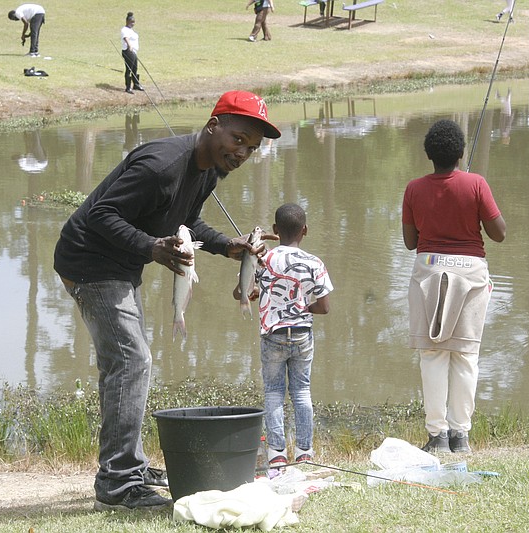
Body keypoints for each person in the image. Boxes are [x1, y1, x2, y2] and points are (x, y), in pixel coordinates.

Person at [54, 90, 281, 511]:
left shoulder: (207, 171)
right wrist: (151, 248)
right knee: (131, 361)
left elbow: (185, 218)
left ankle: (128, 466)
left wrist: (224, 245)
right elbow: (102, 214)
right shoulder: (161, 165)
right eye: (239, 138)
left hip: (120, 266)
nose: (244, 151)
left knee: (124, 364)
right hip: (89, 261)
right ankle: (119, 482)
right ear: (214, 125)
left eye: (252, 147)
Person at [401, 120, 507, 454]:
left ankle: (437, 436)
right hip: (470, 274)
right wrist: (472, 200)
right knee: (465, 355)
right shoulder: (476, 184)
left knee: (432, 355)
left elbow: (409, 242)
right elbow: (499, 233)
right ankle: (461, 436)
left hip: (428, 271)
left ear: (428, 155)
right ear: (461, 153)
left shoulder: (413, 189)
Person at [233, 203, 332, 467]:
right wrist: (303, 306)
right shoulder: (314, 263)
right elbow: (324, 306)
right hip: (302, 335)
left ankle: (276, 454)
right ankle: (304, 452)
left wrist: (255, 291)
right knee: (302, 392)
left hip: (272, 335)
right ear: (305, 230)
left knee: (274, 392)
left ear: (275, 231)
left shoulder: (263, 259)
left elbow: (240, 293)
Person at [121, 12, 143, 94]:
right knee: (129, 69)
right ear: (127, 21)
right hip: (128, 51)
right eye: (131, 22)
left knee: (135, 68)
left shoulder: (131, 30)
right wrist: (129, 46)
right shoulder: (124, 30)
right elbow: (125, 38)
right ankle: (128, 87)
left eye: (133, 22)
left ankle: (136, 84)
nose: (133, 24)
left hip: (134, 52)